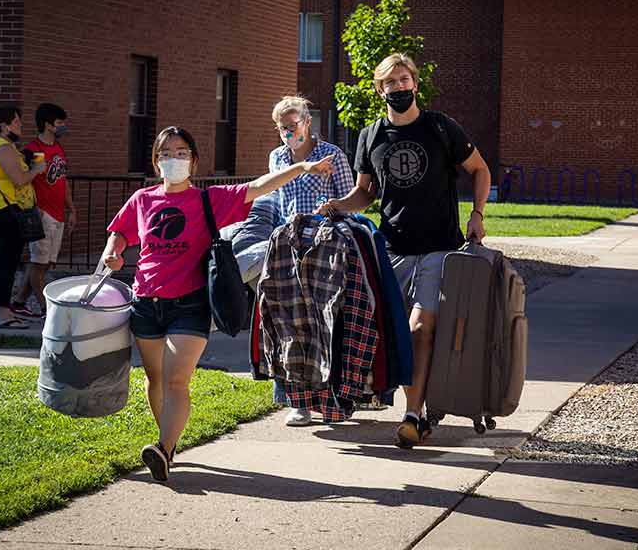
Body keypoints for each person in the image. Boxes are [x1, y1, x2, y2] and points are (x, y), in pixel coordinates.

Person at [101, 125, 334, 482]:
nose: (173, 160)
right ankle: (170, 441)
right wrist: (113, 253)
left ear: (193, 161)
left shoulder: (209, 200)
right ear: (155, 161)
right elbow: (120, 233)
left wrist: (301, 168)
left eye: (181, 153)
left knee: (177, 380)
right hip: (145, 301)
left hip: (190, 304)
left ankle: (162, 448)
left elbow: (259, 186)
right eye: (166, 153)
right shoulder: (143, 199)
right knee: (156, 379)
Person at [318, 53, 492, 448]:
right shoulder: (370, 135)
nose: (398, 87)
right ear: (380, 89)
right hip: (391, 248)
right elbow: (366, 192)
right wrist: (336, 206)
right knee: (384, 329)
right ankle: (406, 401)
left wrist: (477, 214)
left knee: (420, 328)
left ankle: (413, 417)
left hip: (439, 248)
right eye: (390, 82)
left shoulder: (439, 127)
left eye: (404, 79)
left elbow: (480, 169)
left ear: (415, 83)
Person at [267, 95, 355, 427]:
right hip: (287, 247)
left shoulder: (333, 155)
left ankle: (332, 399)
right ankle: (297, 402)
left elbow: (353, 203)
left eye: (293, 125)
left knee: (325, 324)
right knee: (290, 323)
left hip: (325, 247)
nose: (288, 132)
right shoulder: (277, 158)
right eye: (282, 127)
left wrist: (332, 206)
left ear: (308, 121)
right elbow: (276, 203)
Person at [11, 103, 77, 318]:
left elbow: (62, 181)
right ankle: (47, 309)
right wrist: (32, 208)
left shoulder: (58, 149)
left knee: (45, 263)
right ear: (48, 125)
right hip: (41, 213)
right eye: (59, 123)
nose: (63, 127)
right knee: (38, 262)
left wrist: (72, 209)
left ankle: (19, 301)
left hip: (58, 212)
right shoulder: (33, 150)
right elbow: (22, 182)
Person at [0, 105, 46, 329]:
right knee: (6, 263)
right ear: (4, 125)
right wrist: (37, 170)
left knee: (9, 262)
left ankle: (6, 311)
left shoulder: (8, 147)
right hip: (6, 211)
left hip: (10, 211)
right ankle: (3, 314)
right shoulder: (2, 148)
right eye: (17, 122)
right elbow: (20, 180)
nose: (20, 125)